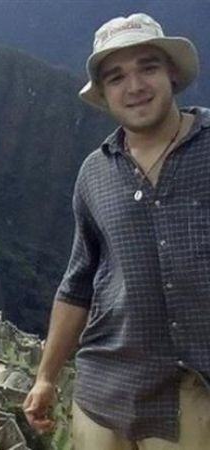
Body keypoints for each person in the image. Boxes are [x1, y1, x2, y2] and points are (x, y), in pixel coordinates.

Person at [23, 13, 210, 450]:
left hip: (190, 391)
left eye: (148, 67)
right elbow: (79, 281)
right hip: (104, 388)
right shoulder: (95, 173)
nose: (135, 86)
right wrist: (46, 377)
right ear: (105, 95)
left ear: (172, 75)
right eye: (116, 77)